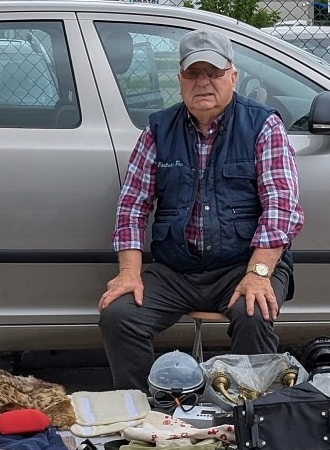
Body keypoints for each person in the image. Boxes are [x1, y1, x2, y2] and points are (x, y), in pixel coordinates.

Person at [99, 29, 304, 390]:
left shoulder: (263, 125)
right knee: (119, 315)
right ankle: (142, 413)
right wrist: (129, 272)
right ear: (180, 81)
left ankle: (253, 416)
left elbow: (281, 208)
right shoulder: (158, 130)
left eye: (214, 73)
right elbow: (132, 206)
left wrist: (258, 273)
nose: (203, 82)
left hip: (243, 265)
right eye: (194, 74)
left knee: (253, 311)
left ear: (233, 77)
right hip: (177, 271)